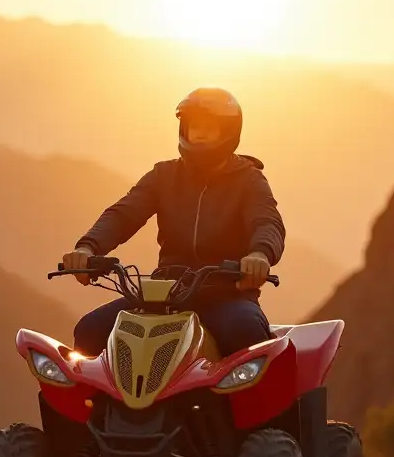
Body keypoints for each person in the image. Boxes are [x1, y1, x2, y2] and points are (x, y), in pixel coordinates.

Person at [61, 87, 285, 358]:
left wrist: (260, 254)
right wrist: (88, 248)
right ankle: (101, 402)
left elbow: (267, 221)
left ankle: (252, 402)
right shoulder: (163, 175)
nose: (199, 133)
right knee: (90, 331)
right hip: (165, 294)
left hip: (227, 295)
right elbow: (123, 214)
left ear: (229, 131)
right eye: (193, 126)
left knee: (246, 331)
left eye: (209, 127)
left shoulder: (249, 180)